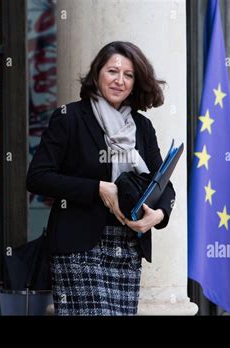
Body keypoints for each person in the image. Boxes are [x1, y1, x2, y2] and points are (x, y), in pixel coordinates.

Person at [26, 41, 175, 316]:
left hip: (127, 250)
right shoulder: (69, 118)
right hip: (78, 247)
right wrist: (97, 189)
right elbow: (37, 178)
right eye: (112, 71)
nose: (119, 80)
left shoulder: (142, 127)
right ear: (97, 74)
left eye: (128, 75)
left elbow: (164, 184)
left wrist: (160, 214)